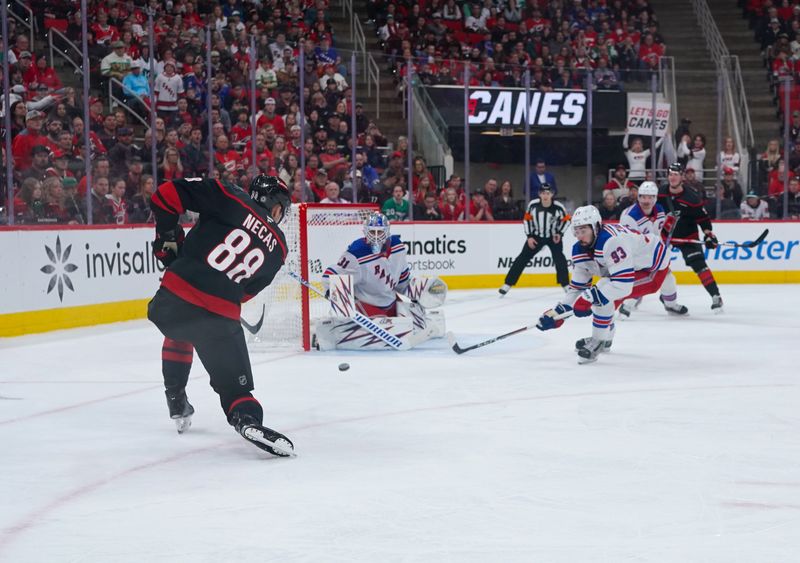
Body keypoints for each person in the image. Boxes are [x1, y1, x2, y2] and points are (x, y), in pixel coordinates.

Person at [146, 175, 295, 457]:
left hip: (172, 302)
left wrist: (167, 238)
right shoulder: (279, 247)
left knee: (181, 328)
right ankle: (246, 419)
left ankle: (176, 398)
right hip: (220, 317)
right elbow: (247, 292)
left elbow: (165, 195)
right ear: (275, 205)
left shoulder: (230, 196)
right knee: (236, 392)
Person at [535, 205, 675, 363]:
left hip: (652, 270)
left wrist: (589, 297)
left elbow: (623, 285)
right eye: (577, 231)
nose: (580, 236)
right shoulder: (579, 250)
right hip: (630, 268)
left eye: (584, 231)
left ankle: (598, 341)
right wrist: (556, 314)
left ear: (595, 227)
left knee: (602, 291)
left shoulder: (611, 242)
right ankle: (606, 338)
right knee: (602, 294)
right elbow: (576, 289)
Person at [316, 212, 447, 350]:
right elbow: (331, 274)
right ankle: (341, 329)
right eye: (372, 231)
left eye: (380, 232)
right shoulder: (356, 253)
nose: (376, 236)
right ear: (365, 231)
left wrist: (420, 290)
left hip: (391, 302)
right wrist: (332, 290)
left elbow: (402, 281)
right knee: (391, 331)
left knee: (413, 323)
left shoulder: (398, 247)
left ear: (388, 231)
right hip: (367, 306)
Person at [658, 162, 723, 312]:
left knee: (699, 264)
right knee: (653, 264)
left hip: (688, 236)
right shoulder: (660, 193)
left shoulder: (692, 197)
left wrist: (709, 235)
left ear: (682, 177)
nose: (672, 177)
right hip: (665, 236)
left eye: (676, 174)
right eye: (670, 174)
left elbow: (703, 219)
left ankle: (716, 296)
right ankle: (661, 297)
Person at [618, 181, 687, 317]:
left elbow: (659, 233)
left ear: (655, 198)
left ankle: (670, 304)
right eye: (643, 197)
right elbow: (628, 241)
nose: (646, 200)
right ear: (638, 197)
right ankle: (627, 304)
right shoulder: (629, 216)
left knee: (667, 276)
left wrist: (667, 232)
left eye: (650, 197)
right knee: (647, 278)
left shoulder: (660, 210)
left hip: (653, 252)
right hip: (635, 254)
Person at [499, 184, 569, 296]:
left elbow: (567, 220)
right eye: (543, 193)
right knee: (522, 258)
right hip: (536, 237)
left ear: (552, 194)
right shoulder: (533, 205)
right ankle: (508, 284)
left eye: (548, 193)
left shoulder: (559, 207)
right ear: (539, 194)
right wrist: (529, 236)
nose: (545, 196)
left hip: (553, 237)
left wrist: (560, 233)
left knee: (559, 259)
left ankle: (566, 285)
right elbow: (527, 220)